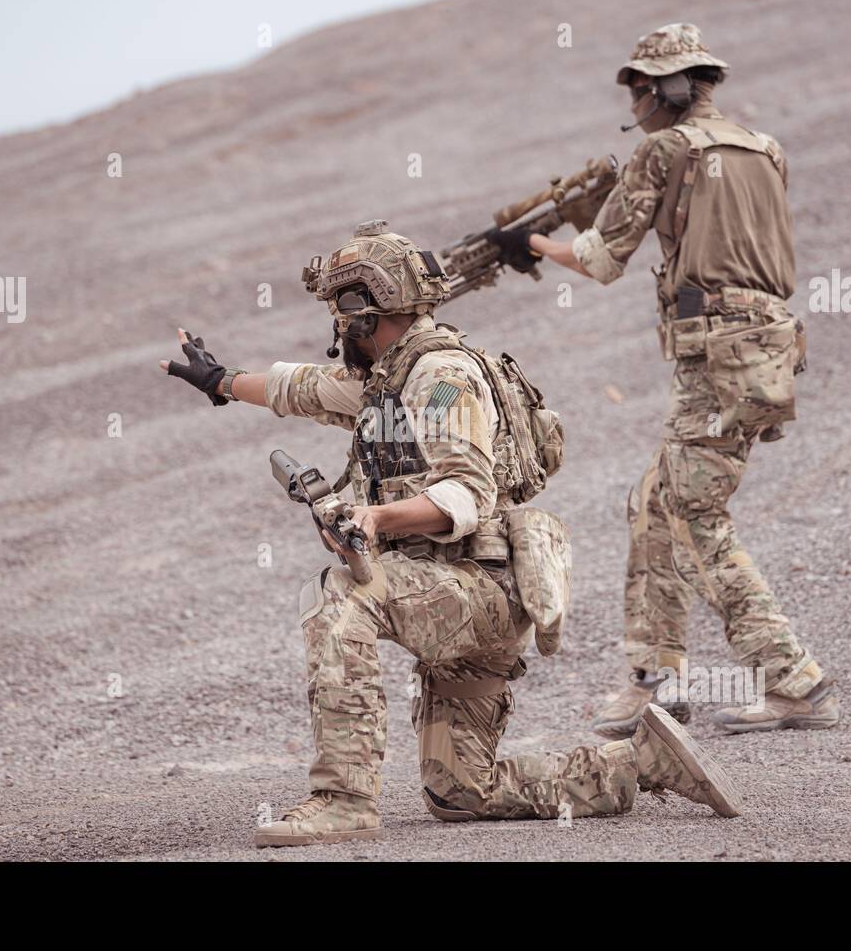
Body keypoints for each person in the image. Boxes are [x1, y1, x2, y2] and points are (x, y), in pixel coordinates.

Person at [160, 219, 742, 846]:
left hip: (479, 587)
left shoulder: (440, 377)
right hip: (457, 589)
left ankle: (343, 800)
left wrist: (376, 518)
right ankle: (641, 764)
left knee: (339, 598)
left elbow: (467, 492)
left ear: (363, 313)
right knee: (462, 791)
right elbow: (298, 387)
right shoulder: (389, 376)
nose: (333, 326)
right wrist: (220, 382)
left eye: (338, 311)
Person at [487, 24, 840, 736]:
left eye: (639, 88)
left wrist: (531, 243)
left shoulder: (666, 148)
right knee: (653, 504)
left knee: (691, 516)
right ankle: (655, 682)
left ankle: (795, 680)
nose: (636, 102)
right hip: (761, 349)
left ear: (667, 87)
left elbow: (601, 258)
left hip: (716, 354)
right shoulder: (763, 147)